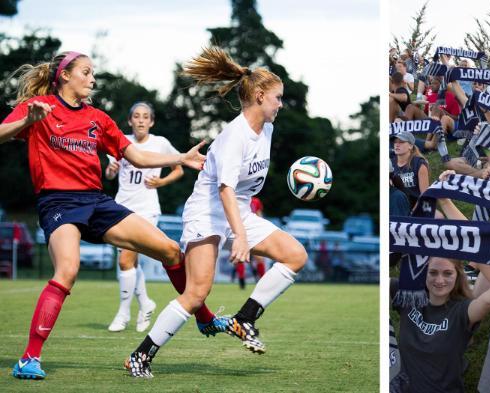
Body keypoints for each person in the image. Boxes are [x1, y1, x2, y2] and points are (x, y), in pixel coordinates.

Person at [0, 51, 219, 380]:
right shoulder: (40, 107)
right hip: (58, 203)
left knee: (171, 250)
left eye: (93, 73)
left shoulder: (98, 119)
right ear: (64, 76)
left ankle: (203, 316)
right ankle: (29, 358)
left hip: (97, 202)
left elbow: (136, 156)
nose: (92, 79)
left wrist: (180, 158)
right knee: (68, 270)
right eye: (86, 72)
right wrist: (27, 121)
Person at [126, 46, 308, 378]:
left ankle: (245, 318)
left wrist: (241, 228)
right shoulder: (235, 135)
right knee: (196, 294)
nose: (281, 104)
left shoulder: (266, 129)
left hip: (237, 211)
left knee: (295, 255)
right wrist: (239, 235)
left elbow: (237, 193)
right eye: (278, 98)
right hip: (207, 213)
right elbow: (224, 189)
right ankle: (140, 355)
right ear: (259, 96)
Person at [393, 231, 490, 393]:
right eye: (433, 272)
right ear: (423, 273)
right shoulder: (408, 296)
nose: (439, 280)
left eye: (447, 273)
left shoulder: (462, 310)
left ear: (457, 275)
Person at [105, 101, 183, 333]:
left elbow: (178, 168)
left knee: (124, 261)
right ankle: (146, 303)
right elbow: (109, 174)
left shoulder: (160, 143)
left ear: (152, 121)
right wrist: (111, 171)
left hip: (147, 210)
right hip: (121, 208)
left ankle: (123, 313)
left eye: (145, 116)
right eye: (136, 116)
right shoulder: (122, 141)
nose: (140, 120)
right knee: (131, 262)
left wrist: (161, 181)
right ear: (130, 121)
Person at [390, 131, 429, 210]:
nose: (397, 145)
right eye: (395, 142)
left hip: (417, 206)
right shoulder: (390, 163)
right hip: (396, 204)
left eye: (401, 142)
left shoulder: (419, 163)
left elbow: (424, 194)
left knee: (439, 217)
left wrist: (412, 213)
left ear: (410, 146)